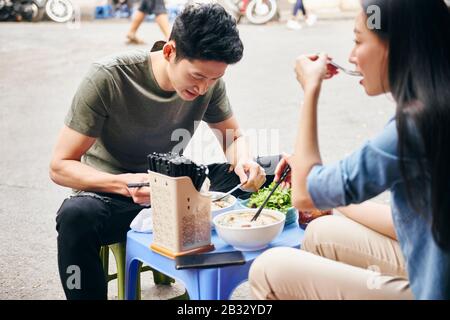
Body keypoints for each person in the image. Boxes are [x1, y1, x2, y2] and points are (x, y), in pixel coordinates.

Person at [50, 3, 274, 300]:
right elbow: (60, 165)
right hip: (116, 197)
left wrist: (243, 161)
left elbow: (232, 139)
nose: (204, 88)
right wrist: (125, 183)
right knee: (75, 215)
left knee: (275, 168)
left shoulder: (209, 83)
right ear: (170, 52)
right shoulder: (109, 77)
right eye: (197, 77)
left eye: (214, 79)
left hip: (177, 189)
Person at [250, 0, 450, 300]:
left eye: (358, 41)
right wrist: (331, 191)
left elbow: (303, 194)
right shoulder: (436, 104)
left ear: (396, 46)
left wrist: (310, 88)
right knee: (322, 231)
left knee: (269, 270)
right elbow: (413, 221)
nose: (352, 56)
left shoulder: (414, 127)